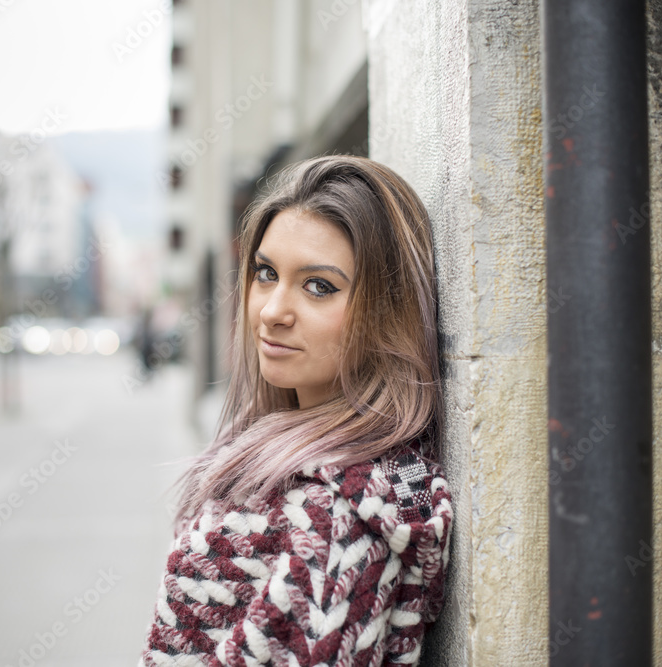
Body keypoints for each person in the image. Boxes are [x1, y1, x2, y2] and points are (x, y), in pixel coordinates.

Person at [140, 155, 453, 666]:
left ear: (389, 311)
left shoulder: (341, 515)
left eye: (319, 287)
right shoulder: (303, 468)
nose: (271, 311)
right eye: (266, 273)